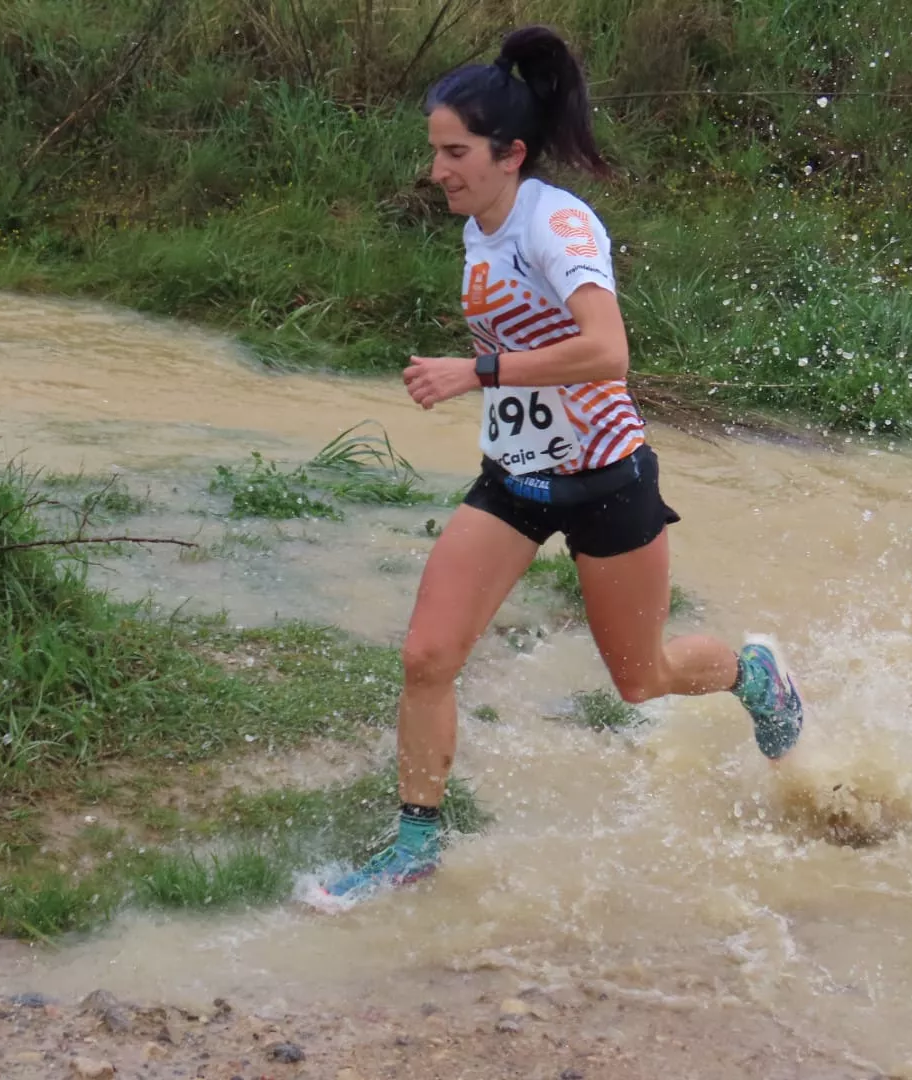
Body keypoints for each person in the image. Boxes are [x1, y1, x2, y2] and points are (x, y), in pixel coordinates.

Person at [314, 25, 804, 908]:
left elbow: (607, 350)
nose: (437, 172)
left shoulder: (557, 222)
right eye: (435, 151)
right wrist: (494, 386)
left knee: (641, 680)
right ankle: (416, 846)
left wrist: (477, 371)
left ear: (510, 154)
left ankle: (753, 676)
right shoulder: (482, 225)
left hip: (606, 481)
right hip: (515, 479)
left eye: (455, 154)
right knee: (427, 656)